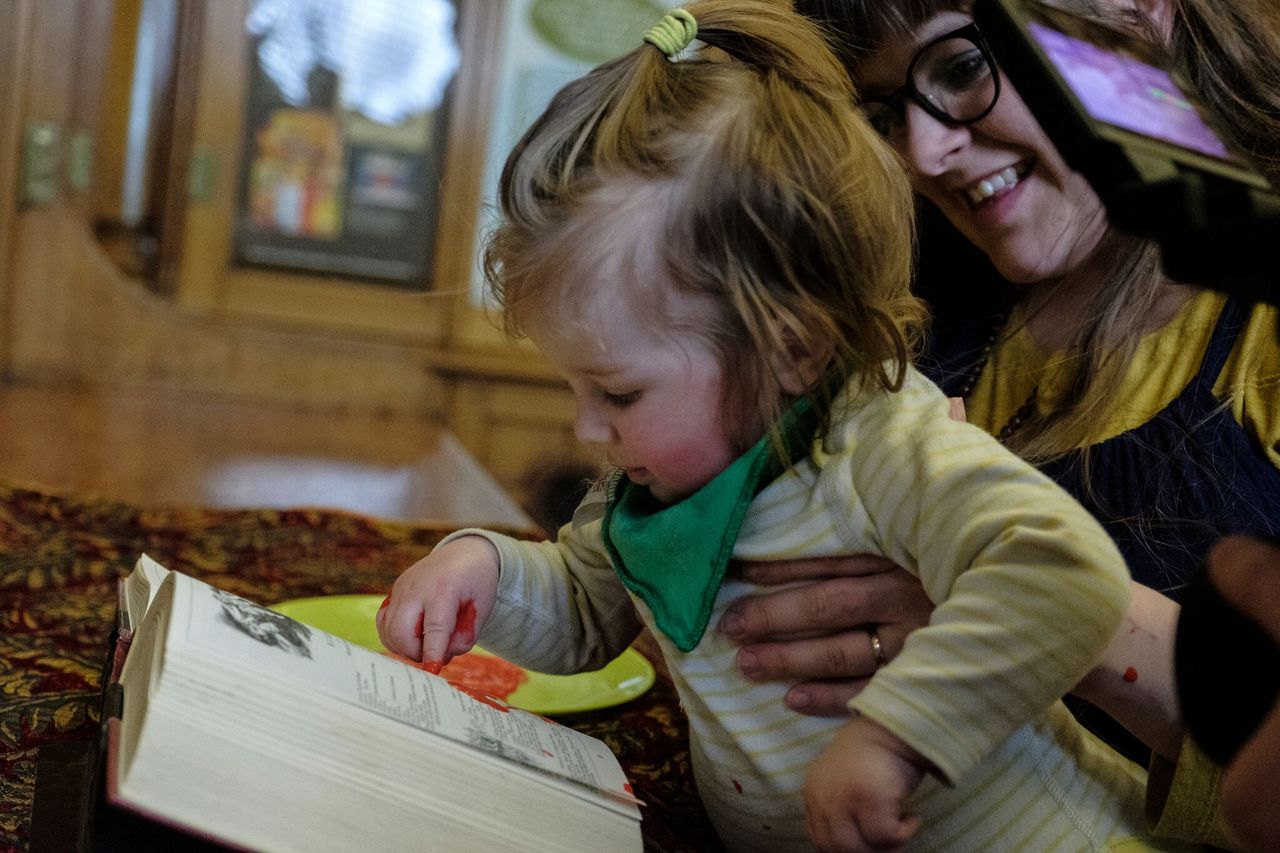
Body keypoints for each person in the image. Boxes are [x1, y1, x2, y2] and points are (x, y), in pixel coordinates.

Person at [377, 4, 1204, 850]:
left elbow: (1068, 574)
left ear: (794, 348)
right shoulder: (668, 482)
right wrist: (479, 570)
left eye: (619, 394)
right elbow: (587, 602)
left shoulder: (881, 446)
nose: (587, 427)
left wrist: (893, 736)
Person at [725, 0, 1280, 846]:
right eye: (885, 112)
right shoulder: (915, 292)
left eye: (963, 67)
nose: (925, 152)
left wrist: (1027, 615)